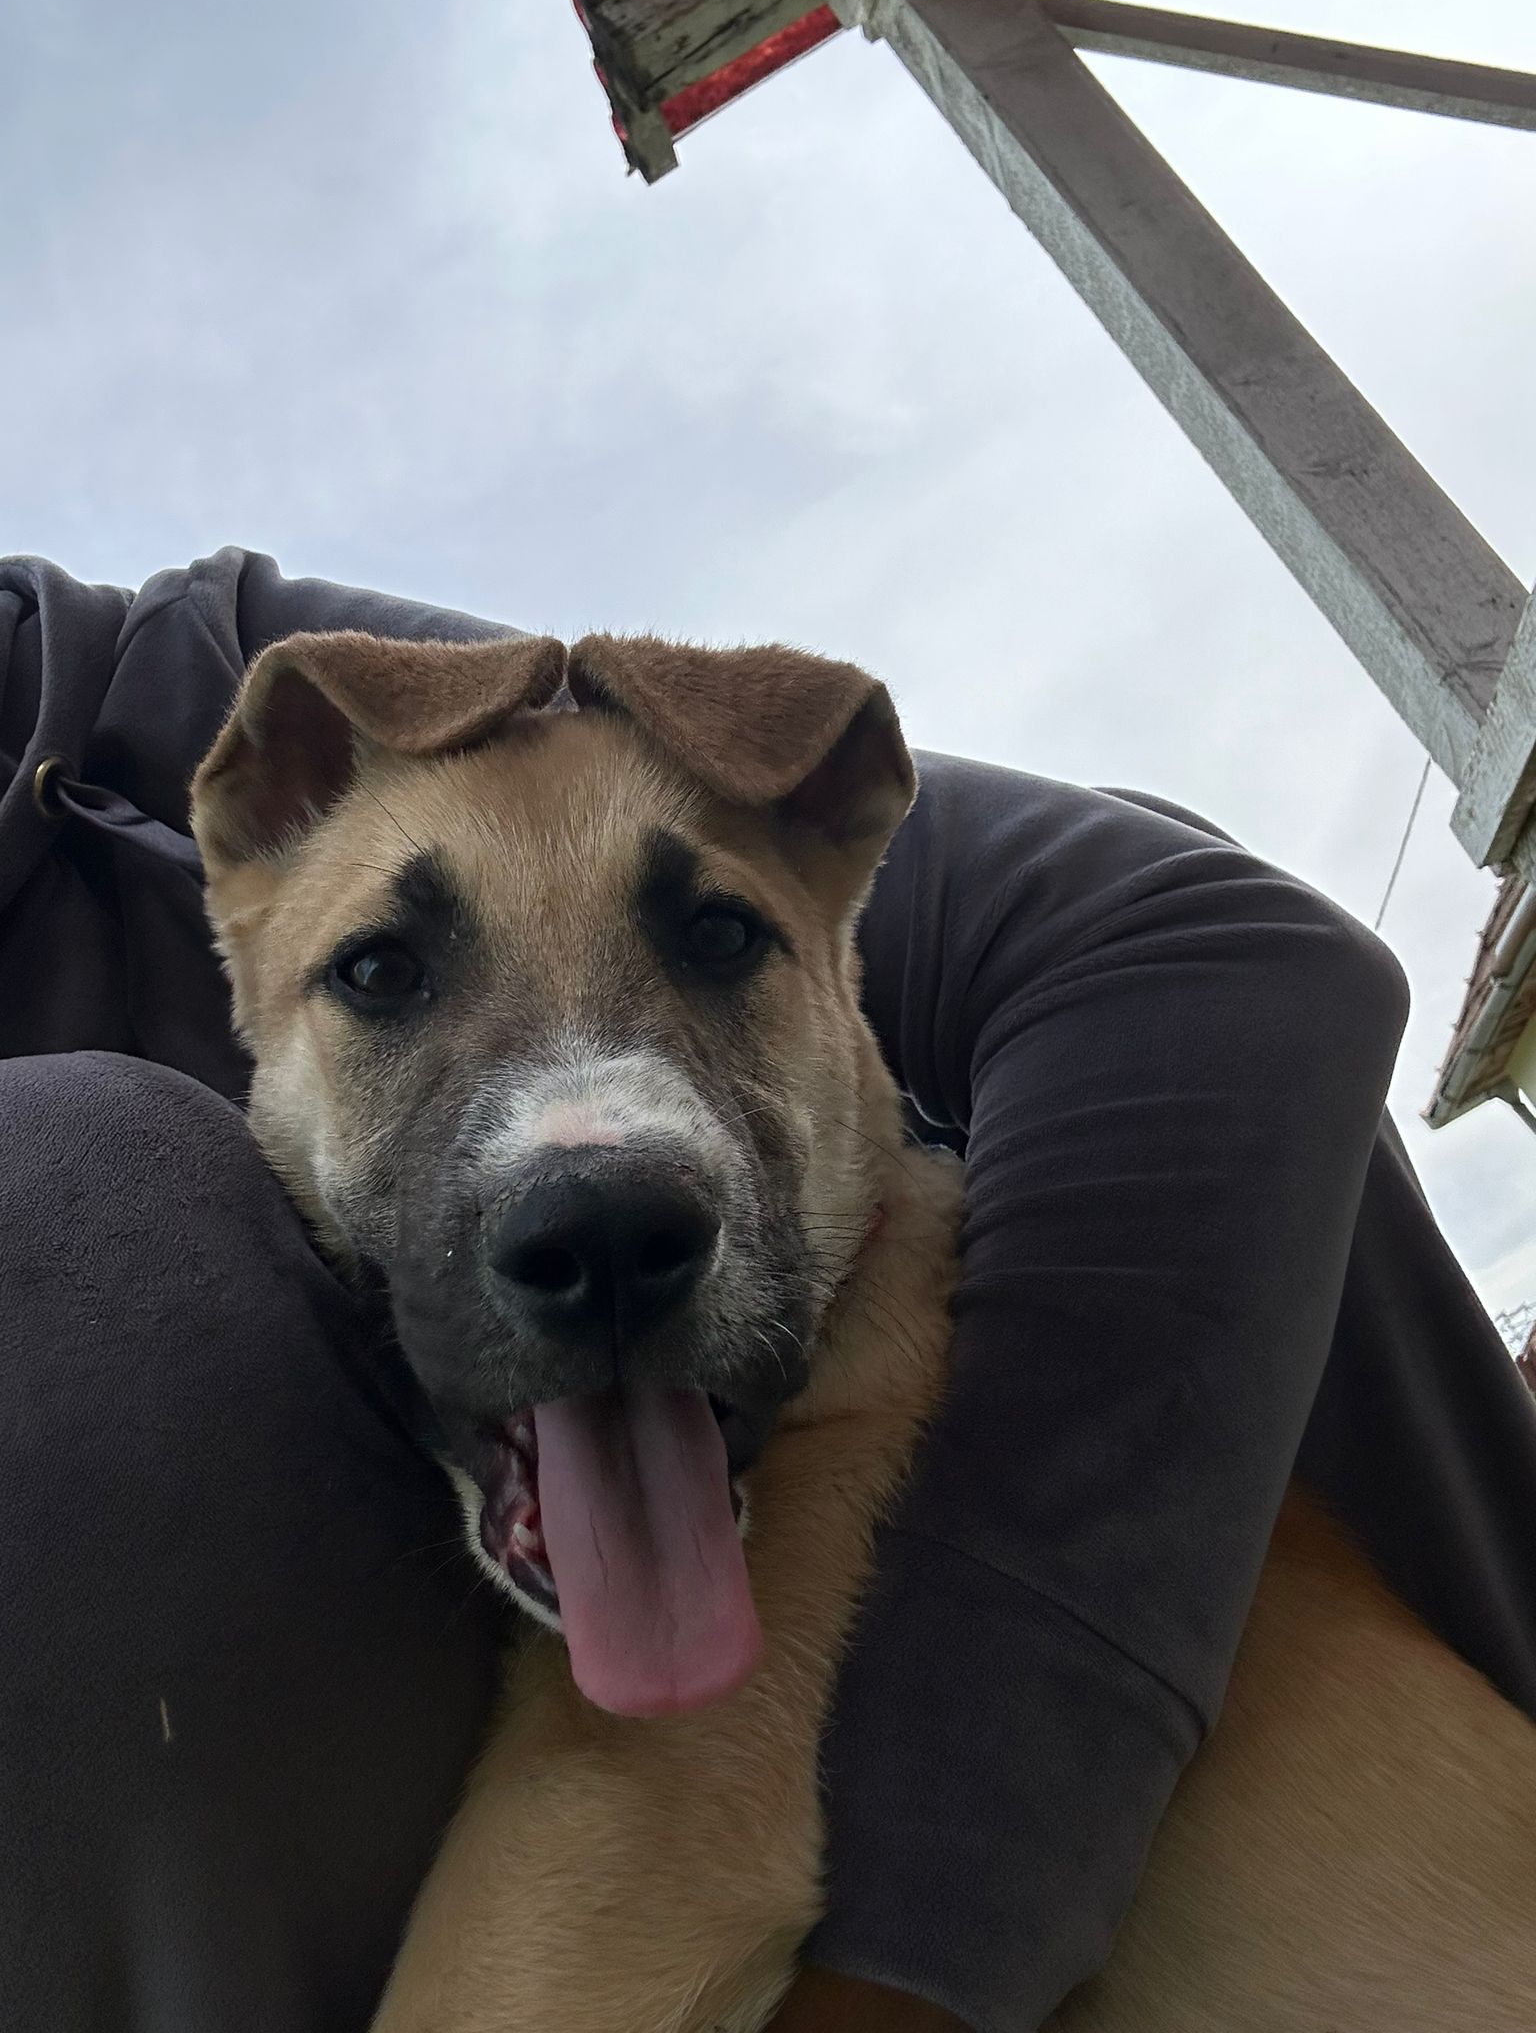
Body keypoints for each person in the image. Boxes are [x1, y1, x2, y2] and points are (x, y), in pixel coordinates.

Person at [3, 546, 1535, 2033]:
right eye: (386, 977)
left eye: (722, 937)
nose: (588, 1152)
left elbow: (1223, 948)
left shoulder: (132, 692)